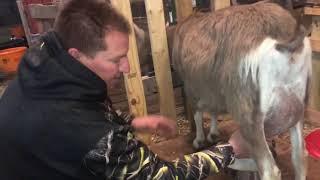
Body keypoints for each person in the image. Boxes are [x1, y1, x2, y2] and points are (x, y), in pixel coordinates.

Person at [0, 0, 243, 179]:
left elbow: (87, 112)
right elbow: (158, 175)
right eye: (115, 60)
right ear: (78, 55)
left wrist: (132, 123)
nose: (126, 68)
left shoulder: (45, 64)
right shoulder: (83, 131)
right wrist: (229, 150)